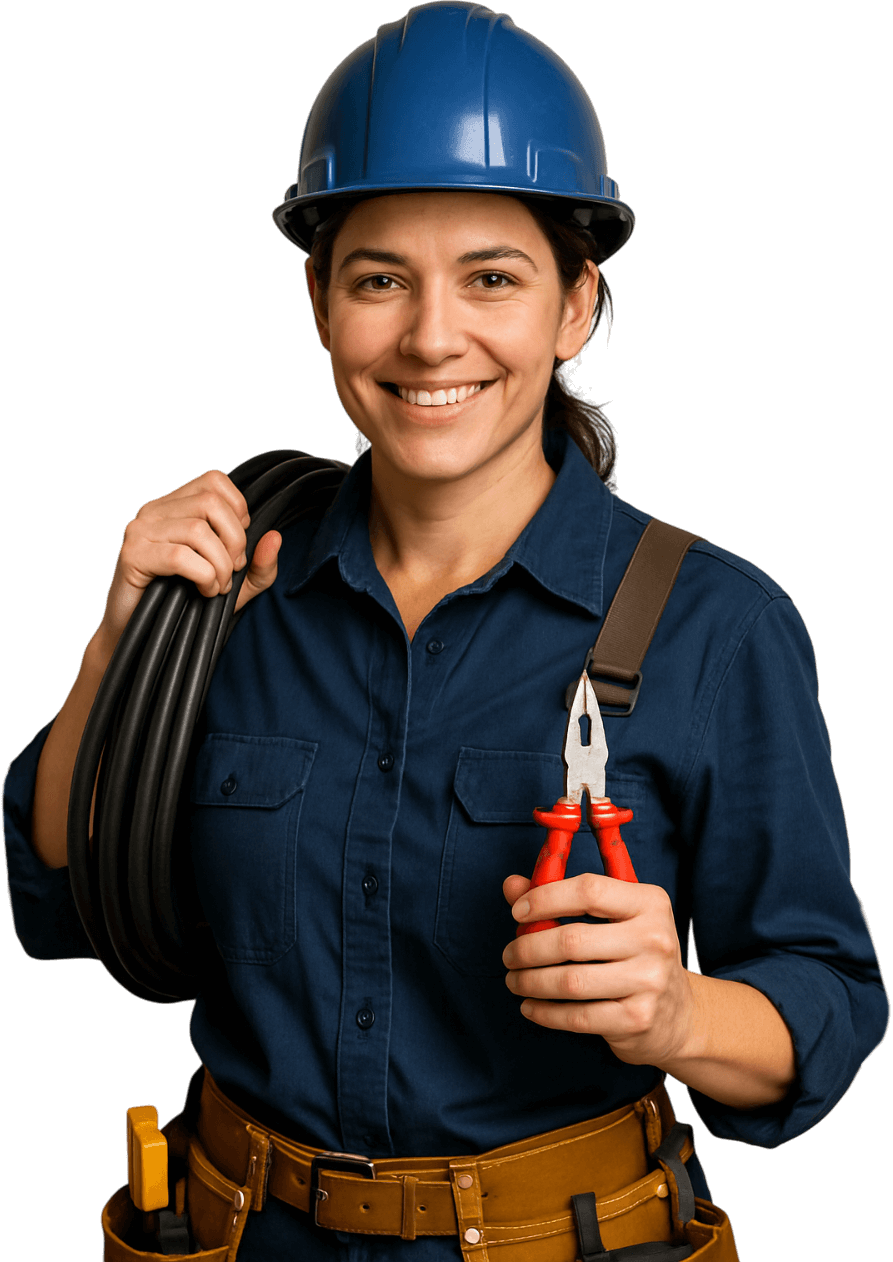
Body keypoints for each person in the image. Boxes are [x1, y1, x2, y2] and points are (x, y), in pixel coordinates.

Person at [4, 4, 887, 1259]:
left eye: (490, 276)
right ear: (318, 302)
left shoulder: (716, 625)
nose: (430, 337)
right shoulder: (226, 590)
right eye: (379, 279)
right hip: (235, 1232)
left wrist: (675, 1009)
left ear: (575, 306)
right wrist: (115, 646)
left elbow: (830, 997)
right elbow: (64, 891)